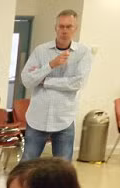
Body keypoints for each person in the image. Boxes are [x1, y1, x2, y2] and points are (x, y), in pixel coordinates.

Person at [20, 9, 92, 161]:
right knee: (27, 164)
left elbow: (78, 82)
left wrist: (45, 81)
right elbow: (27, 80)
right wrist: (51, 65)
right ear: (56, 28)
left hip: (64, 118)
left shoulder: (83, 52)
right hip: (37, 117)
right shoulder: (40, 51)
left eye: (69, 26)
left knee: (63, 166)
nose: (64, 30)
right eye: (61, 26)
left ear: (75, 28)